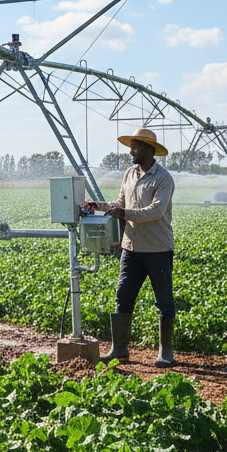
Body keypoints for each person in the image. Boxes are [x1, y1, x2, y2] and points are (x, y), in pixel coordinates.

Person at [84, 127, 176, 367]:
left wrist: (124, 213)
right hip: (131, 248)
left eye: (135, 146)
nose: (131, 151)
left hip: (158, 248)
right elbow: (120, 203)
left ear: (148, 149)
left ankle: (165, 352)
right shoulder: (129, 174)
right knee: (123, 297)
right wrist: (100, 206)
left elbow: (156, 211)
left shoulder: (163, 178)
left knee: (164, 300)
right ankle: (119, 349)